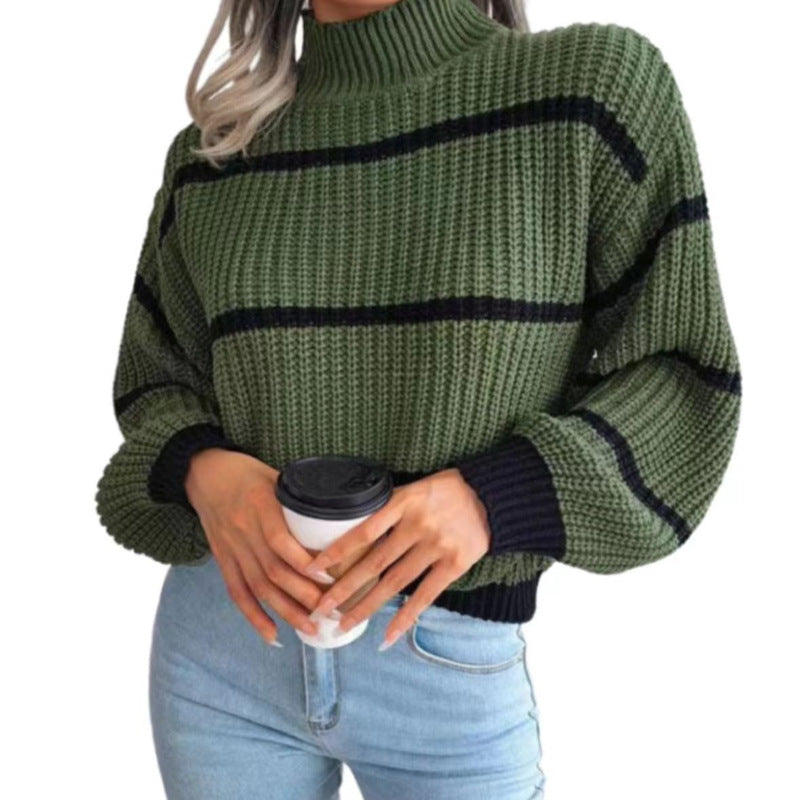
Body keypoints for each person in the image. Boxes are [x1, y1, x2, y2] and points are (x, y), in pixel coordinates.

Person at [94, 0, 743, 797]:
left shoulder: (585, 94)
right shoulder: (215, 158)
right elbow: (155, 378)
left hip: (445, 656)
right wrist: (205, 471)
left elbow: (683, 373)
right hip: (223, 650)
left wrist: (492, 499)